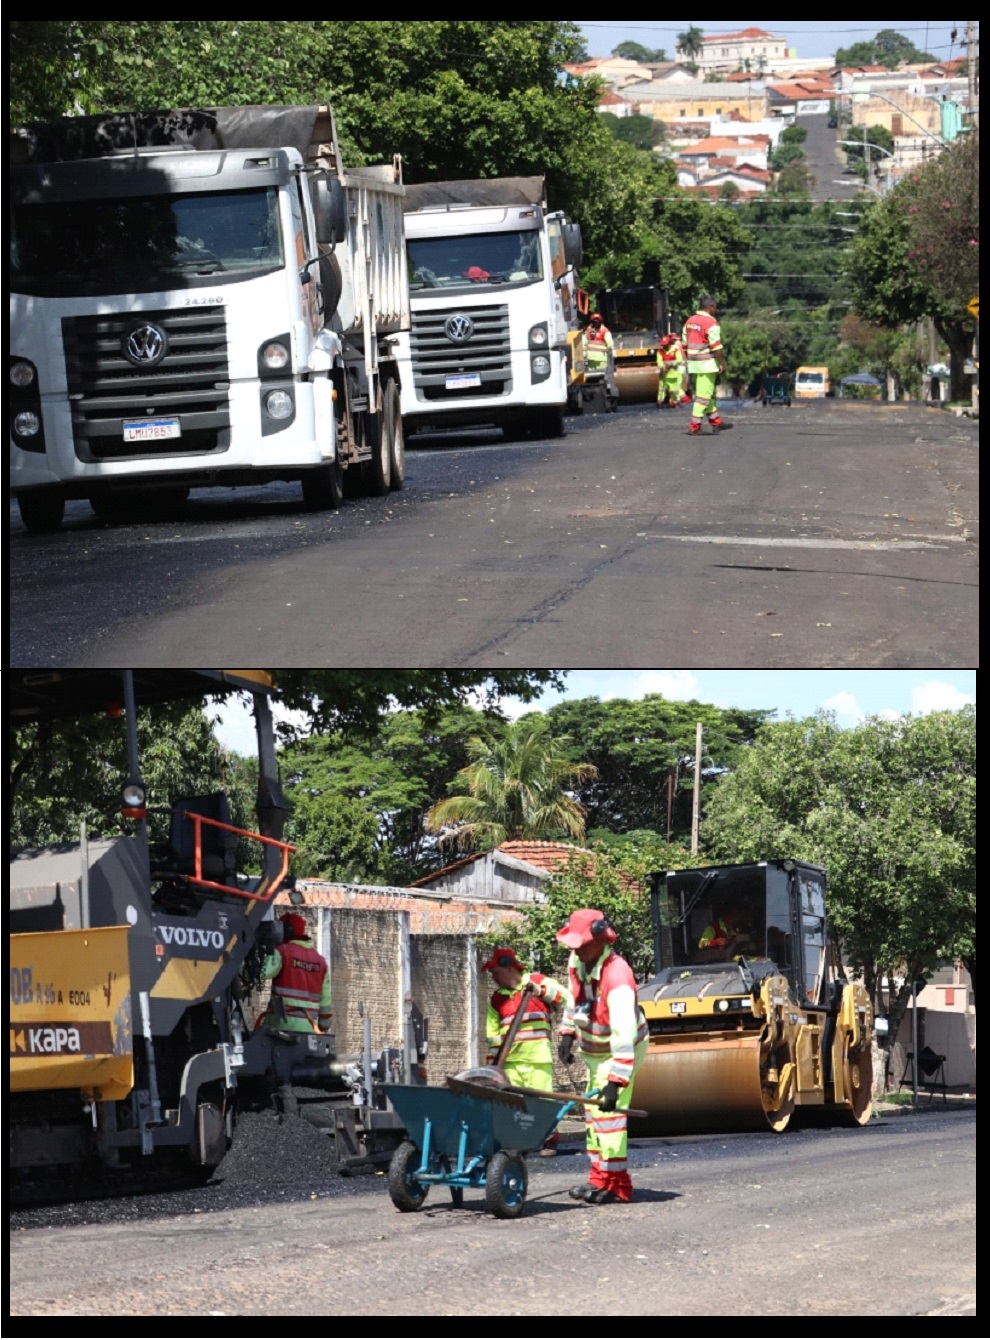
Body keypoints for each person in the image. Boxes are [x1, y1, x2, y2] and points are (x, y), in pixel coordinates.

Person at [556, 909, 649, 1205]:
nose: (576, 949)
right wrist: (568, 1033)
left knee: (610, 1118)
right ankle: (598, 1179)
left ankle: (618, 1185)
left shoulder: (618, 976)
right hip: (595, 1051)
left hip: (621, 1049)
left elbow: (624, 1034)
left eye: (582, 944)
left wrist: (616, 1080)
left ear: (600, 938)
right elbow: (575, 999)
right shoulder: (578, 960)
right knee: (593, 1117)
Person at [483, 946, 569, 1151]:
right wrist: (492, 1066)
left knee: (544, 1102)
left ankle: (549, 1140)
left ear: (509, 967)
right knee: (513, 1104)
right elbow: (493, 1035)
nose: (493, 977)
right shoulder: (497, 999)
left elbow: (565, 998)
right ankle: (520, 1142)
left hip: (537, 1057)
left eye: (495, 972)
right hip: (510, 1061)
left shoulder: (537, 981)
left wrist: (540, 992)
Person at [258, 912, 332, 1033]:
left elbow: (262, 972)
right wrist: (324, 1025)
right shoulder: (321, 961)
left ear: (286, 931)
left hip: (280, 1027)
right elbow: (326, 1000)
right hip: (309, 1028)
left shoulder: (283, 952)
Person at [683, 294, 732, 435]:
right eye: (715, 307)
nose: (715, 310)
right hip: (707, 364)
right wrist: (722, 363)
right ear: (711, 307)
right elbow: (716, 346)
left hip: (694, 363)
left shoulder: (690, 321)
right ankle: (695, 426)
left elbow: (685, 344)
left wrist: (690, 359)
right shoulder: (711, 323)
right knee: (703, 396)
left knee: (707, 394)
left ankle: (716, 422)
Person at [656, 331, 690, 409]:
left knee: (675, 390)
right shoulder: (660, 352)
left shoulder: (675, 350)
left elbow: (679, 360)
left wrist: (670, 364)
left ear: (669, 343)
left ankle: (674, 402)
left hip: (674, 375)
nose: (664, 347)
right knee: (662, 389)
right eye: (663, 345)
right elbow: (659, 362)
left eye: (665, 345)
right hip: (664, 375)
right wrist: (662, 366)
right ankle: (660, 401)